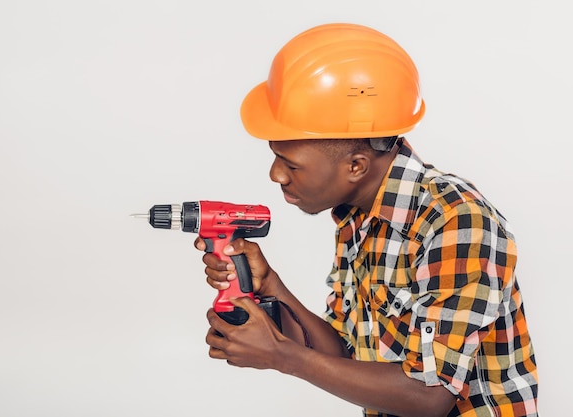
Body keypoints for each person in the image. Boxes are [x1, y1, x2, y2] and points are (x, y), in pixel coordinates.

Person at [195, 23, 539, 417]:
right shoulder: (357, 218)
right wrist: (271, 285)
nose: (276, 174)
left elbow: (429, 396)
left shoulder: (456, 222)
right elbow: (345, 354)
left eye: (290, 163)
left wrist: (282, 356)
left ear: (356, 166)